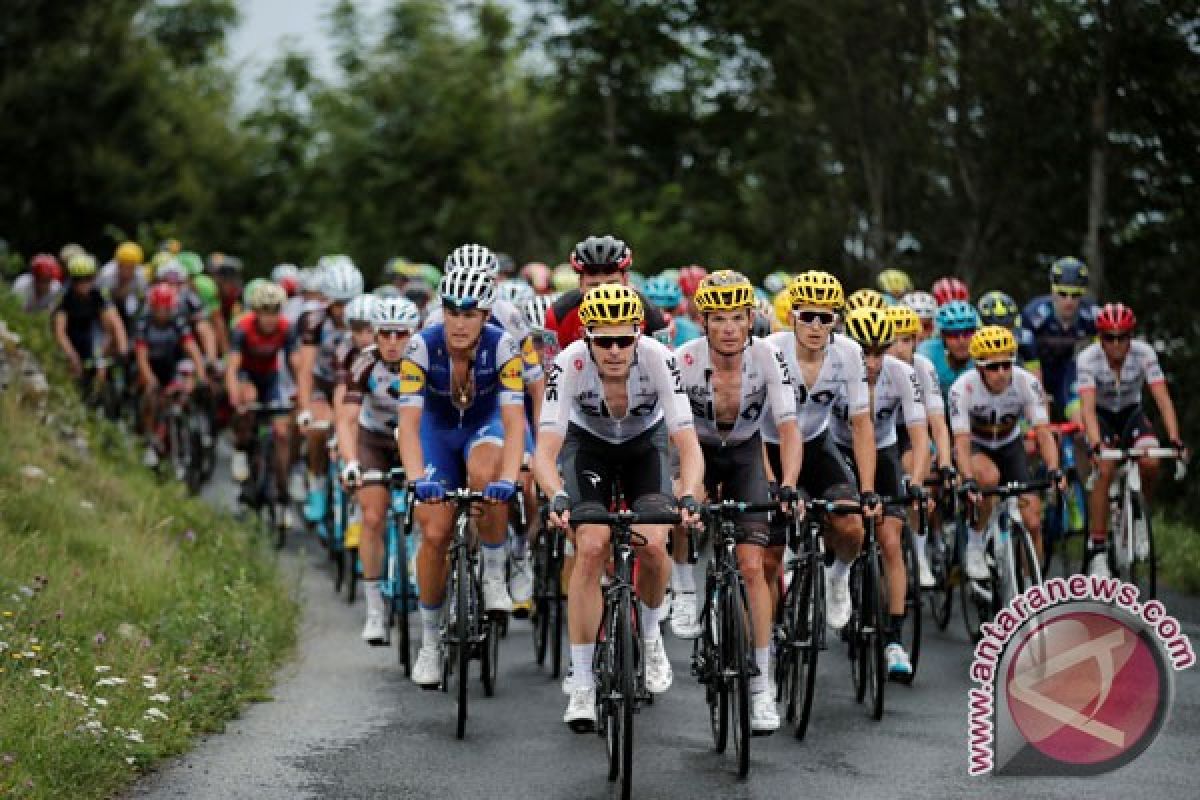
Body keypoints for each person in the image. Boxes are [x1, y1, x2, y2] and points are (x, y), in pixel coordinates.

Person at [532, 283, 704, 731]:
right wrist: (557, 497)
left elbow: (687, 440)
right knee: (590, 546)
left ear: (637, 336)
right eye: (602, 340)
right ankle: (584, 682)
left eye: (623, 340)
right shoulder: (568, 365)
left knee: (652, 542)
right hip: (587, 447)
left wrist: (688, 493)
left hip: (644, 445)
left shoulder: (660, 359)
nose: (613, 350)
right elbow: (545, 449)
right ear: (586, 337)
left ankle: (650, 639)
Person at [675, 271, 800, 733]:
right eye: (718, 318)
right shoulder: (682, 359)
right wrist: (685, 485)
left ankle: (761, 683)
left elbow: (788, 428)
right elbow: (670, 430)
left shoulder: (768, 358)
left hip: (746, 452)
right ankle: (685, 585)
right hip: (696, 449)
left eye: (737, 318)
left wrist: (787, 482)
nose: (728, 327)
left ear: (751, 319)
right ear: (703, 322)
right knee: (684, 510)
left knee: (752, 566)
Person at [396, 262, 527, 688]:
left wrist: (507, 482)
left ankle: (492, 570)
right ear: (442, 312)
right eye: (452, 311)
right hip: (436, 433)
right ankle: (430, 643)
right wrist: (418, 480)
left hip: (482, 428)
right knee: (434, 533)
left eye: (470, 313)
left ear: (486, 316)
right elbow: (409, 427)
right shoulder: (420, 347)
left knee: (486, 474)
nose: (459, 322)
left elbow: (513, 425)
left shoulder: (504, 347)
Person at [762, 271, 879, 633]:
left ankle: (836, 578)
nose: (815, 325)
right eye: (807, 315)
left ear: (836, 321)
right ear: (792, 315)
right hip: (768, 446)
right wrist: (771, 481)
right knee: (768, 557)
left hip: (816, 445)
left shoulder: (849, 353)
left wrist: (868, 488)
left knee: (852, 525)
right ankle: (769, 636)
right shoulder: (769, 350)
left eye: (824, 317)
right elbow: (748, 424)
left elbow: (861, 425)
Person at [835, 308, 929, 679]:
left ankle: (893, 639)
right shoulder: (835, 368)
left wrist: (916, 480)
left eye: (879, 352)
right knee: (843, 523)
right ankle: (833, 578)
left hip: (885, 452)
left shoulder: (902, 374)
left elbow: (920, 437)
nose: (872, 362)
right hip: (839, 450)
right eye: (864, 352)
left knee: (890, 540)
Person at [1076, 303, 1187, 577]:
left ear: (1131, 336)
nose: (1116, 344)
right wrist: (1095, 445)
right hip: (1101, 417)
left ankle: (1138, 517)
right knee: (1104, 470)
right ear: (1099, 338)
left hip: (1130, 416)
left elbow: (1162, 398)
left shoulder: (1144, 354)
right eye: (1109, 338)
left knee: (1149, 461)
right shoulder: (1088, 359)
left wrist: (1174, 439)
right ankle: (1099, 548)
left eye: (1122, 337)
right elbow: (1087, 409)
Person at [948, 326, 1065, 579]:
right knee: (988, 477)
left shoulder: (1027, 383)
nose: (1001, 373)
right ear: (979, 368)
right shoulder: (962, 388)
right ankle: (976, 545)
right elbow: (961, 440)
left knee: (1033, 520)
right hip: (977, 446)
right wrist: (968, 479)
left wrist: (1055, 469)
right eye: (992, 367)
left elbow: (1043, 432)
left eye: (1006, 365)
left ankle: (1032, 588)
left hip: (1010, 445)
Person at [338, 296, 421, 642]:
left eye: (400, 335)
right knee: (372, 517)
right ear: (374, 334)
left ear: (412, 334)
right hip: (375, 441)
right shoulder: (364, 363)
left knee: (433, 509)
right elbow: (346, 420)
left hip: (414, 438)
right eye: (384, 334)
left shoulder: (426, 361)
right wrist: (351, 463)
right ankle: (374, 611)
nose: (391, 343)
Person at [886, 303, 954, 587]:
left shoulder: (924, 367)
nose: (899, 349)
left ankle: (920, 550)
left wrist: (947, 462)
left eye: (905, 340)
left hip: (912, 431)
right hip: (883, 432)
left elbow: (937, 422)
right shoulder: (878, 365)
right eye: (892, 340)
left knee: (919, 473)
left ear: (917, 341)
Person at [297, 258, 363, 525]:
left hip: (353, 386)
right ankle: (316, 483)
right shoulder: (314, 321)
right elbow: (305, 368)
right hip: (323, 385)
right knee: (318, 428)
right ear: (327, 300)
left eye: (348, 303)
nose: (342, 310)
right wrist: (304, 408)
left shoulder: (365, 319)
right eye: (337, 303)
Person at [225, 280, 297, 524]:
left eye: (274, 311)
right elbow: (232, 367)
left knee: (282, 432)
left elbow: (295, 364)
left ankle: (283, 492)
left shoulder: (286, 328)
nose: (270, 318)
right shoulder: (242, 328)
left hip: (271, 379)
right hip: (247, 376)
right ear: (256, 312)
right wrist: (234, 395)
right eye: (265, 311)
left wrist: (300, 394)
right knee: (248, 398)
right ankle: (241, 449)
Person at [543, 235, 669, 354]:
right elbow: (550, 368)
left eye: (612, 283)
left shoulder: (651, 313)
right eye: (593, 285)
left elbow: (666, 365)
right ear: (580, 285)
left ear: (625, 281)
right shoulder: (557, 315)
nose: (603, 293)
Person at [134, 284, 207, 468]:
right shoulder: (144, 322)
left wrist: (201, 374)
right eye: (158, 309)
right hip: (151, 365)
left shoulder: (178, 322)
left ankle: (183, 426)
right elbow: (141, 356)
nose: (162, 313)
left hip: (172, 363)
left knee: (183, 387)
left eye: (166, 309)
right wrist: (150, 378)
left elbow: (192, 349)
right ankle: (151, 439)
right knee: (151, 395)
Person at [1019, 257, 1097, 422]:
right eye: (1062, 293)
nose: (1068, 301)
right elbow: (1030, 363)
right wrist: (1039, 398)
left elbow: (1104, 353)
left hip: (1066, 371)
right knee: (1038, 417)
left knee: (1081, 417)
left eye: (1075, 295)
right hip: (1033, 368)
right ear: (1052, 290)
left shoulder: (1090, 314)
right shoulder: (1034, 315)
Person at [53, 254, 128, 393]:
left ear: (93, 278)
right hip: (71, 334)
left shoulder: (99, 293)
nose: (83, 284)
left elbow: (115, 322)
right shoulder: (64, 296)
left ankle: (98, 400)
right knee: (72, 368)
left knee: (101, 367)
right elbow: (60, 331)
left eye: (88, 278)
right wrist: (72, 355)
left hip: (93, 333)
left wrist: (122, 349)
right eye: (78, 280)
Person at [917, 300, 980, 400]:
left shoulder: (984, 353)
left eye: (967, 333)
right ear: (942, 336)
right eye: (953, 334)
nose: (961, 340)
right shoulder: (927, 353)